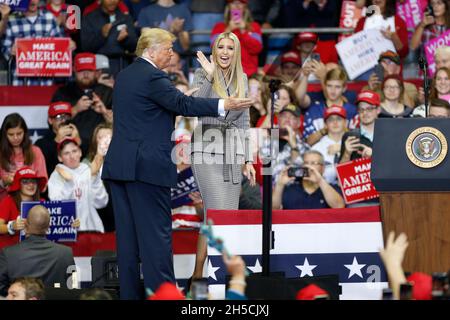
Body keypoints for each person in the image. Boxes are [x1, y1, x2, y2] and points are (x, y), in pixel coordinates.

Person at [101, 28, 253, 300]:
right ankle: (165, 296)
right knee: (156, 242)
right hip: (146, 171)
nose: (172, 53)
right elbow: (182, 104)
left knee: (127, 243)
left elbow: (148, 110)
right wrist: (224, 103)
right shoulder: (153, 76)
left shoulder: (124, 76)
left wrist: (181, 98)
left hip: (119, 168)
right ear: (151, 49)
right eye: (168, 48)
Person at [189, 31, 256, 283]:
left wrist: (247, 160)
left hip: (232, 154)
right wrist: (209, 75)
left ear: (236, 52)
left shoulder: (243, 79)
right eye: (221, 47)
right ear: (214, 51)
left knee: (223, 216)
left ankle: (205, 277)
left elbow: (244, 122)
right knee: (216, 213)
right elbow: (196, 105)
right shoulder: (201, 73)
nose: (225, 52)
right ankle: (200, 276)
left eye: (230, 48)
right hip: (206, 149)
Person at [0, 205, 75, 296]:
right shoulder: (66, 253)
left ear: (25, 225)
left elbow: (2, 289)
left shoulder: (8, 254)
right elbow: (72, 287)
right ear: (48, 227)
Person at [52, 52, 113, 155]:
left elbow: (120, 123)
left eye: (89, 70)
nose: (85, 74)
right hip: (71, 149)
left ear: (96, 72)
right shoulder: (63, 92)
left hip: (102, 148)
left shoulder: (108, 92)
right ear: (74, 71)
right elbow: (52, 124)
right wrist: (75, 109)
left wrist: (104, 111)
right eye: (81, 71)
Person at [48, 138, 108, 233]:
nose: (72, 156)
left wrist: (94, 177)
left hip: (92, 228)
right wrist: (68, 182)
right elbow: (58, 207)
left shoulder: (89, 170)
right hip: (68, 230)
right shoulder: (56, 175)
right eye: (66, 153)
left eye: (74, 151)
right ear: (60, 157)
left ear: (80, 152)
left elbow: (101, 203)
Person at [272, 150, 345, 210]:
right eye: (306, 163)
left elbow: (339, 207)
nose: (309, 166)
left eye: (314, 163)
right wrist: (279, 184)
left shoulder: (332, 188)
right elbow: (273, 209)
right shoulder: (290, 188)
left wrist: (320, 181)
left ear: (323, 168)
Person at [81, 0, 138, 76]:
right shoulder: (90, 18)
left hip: (122, 64)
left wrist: (125, 39)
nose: (112, 1)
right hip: (98, 67)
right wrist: (101, 35)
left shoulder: (126, 18)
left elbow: (134, 46)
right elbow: (86, 47)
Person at [0, 113, 48, 202]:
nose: (15, 138)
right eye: (11, 134)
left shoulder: (35, 152)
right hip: (4, 203)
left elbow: (43, 186)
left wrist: (26, 180)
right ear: (4, 135)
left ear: (25, 132)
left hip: (31, 203)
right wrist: (3, 182)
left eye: (19, 133)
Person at [211, 0, 262, 76]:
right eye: (233, 2)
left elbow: (257, 48)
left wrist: (243, 31)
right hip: (224, 74)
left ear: (245, 7)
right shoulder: (219, 27)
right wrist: (228, 29)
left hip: (249, 74)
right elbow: (214, 48)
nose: (237, 6)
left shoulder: (254, 26)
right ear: (228, 6)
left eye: (240, 3)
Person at [0, 167, 47, 249]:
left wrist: (70, 225)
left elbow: (54, 226)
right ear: (18, 184)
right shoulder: (8, 201)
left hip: (36, 251)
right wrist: (11, 227)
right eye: (25, 182)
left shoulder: (42, 202)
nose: (31, 185)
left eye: (33, 181)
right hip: (11, 251)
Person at [35, 101, 82, 177]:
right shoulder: (42, 143)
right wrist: (56, 141)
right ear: (50, 120)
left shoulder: (77, 135)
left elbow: (86, 162)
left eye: (66, 117)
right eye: (59, 117)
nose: (63, 120)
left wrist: (79, 142)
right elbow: (42, 165)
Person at [82, 123, 115, 231]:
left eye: (108, 138)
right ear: (94, 141)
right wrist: (99, 156)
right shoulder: (85, 165)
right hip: (94, 219)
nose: (104, 142)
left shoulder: (124, 165)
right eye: (101, 138)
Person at [340, 90, 380, 163]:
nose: (365, 113)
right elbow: (341, 173)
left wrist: (374, 156)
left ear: (378, 110)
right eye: (361, 109)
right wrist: (347, 154)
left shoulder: (387, 134)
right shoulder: (350, 136)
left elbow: (396, 166)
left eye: (369, 109)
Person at [312, 105, 347, 185]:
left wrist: (342, 148)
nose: (335, 122)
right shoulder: (316, 148)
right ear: (325, 124)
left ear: (345, 123)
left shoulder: (355, 143)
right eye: (331, 120)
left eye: (339, 119)